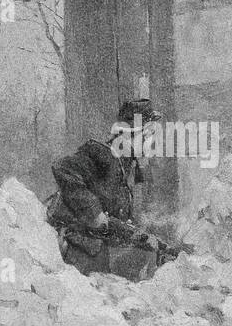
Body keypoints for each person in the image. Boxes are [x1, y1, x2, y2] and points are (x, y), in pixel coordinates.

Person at [48, 100, 164, 278]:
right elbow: (62, 168)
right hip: (78, 249)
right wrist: (93, 212)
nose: (152, 143)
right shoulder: (102, 153)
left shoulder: (127, 164)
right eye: (148, 136)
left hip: (97, 252)